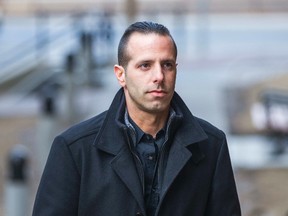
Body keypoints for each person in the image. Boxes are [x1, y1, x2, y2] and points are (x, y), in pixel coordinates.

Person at [32, 21, 241, 216]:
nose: (159, 75)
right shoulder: (73, 149)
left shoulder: (211, 145)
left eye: (167, 64)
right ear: (120, 75)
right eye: (145, 65)